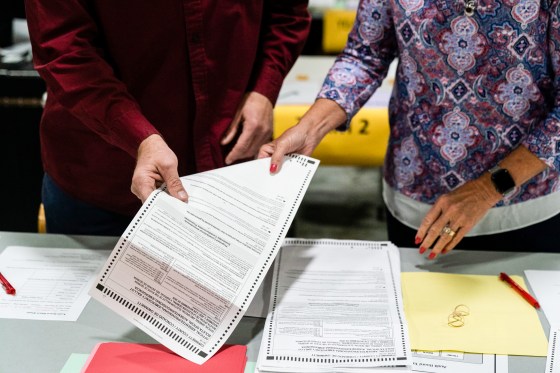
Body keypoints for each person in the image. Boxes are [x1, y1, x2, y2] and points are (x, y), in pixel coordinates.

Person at [259, 0, 560, 256]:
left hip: (525, 208)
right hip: (415, 200)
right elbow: (365, 55)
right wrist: (310, 127)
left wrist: (486, 189)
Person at [24, 1, 311, 236]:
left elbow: (287, 14)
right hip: (104, 181)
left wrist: (264, 88)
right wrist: (138, 135)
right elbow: (64, 51)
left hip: (231, 168)